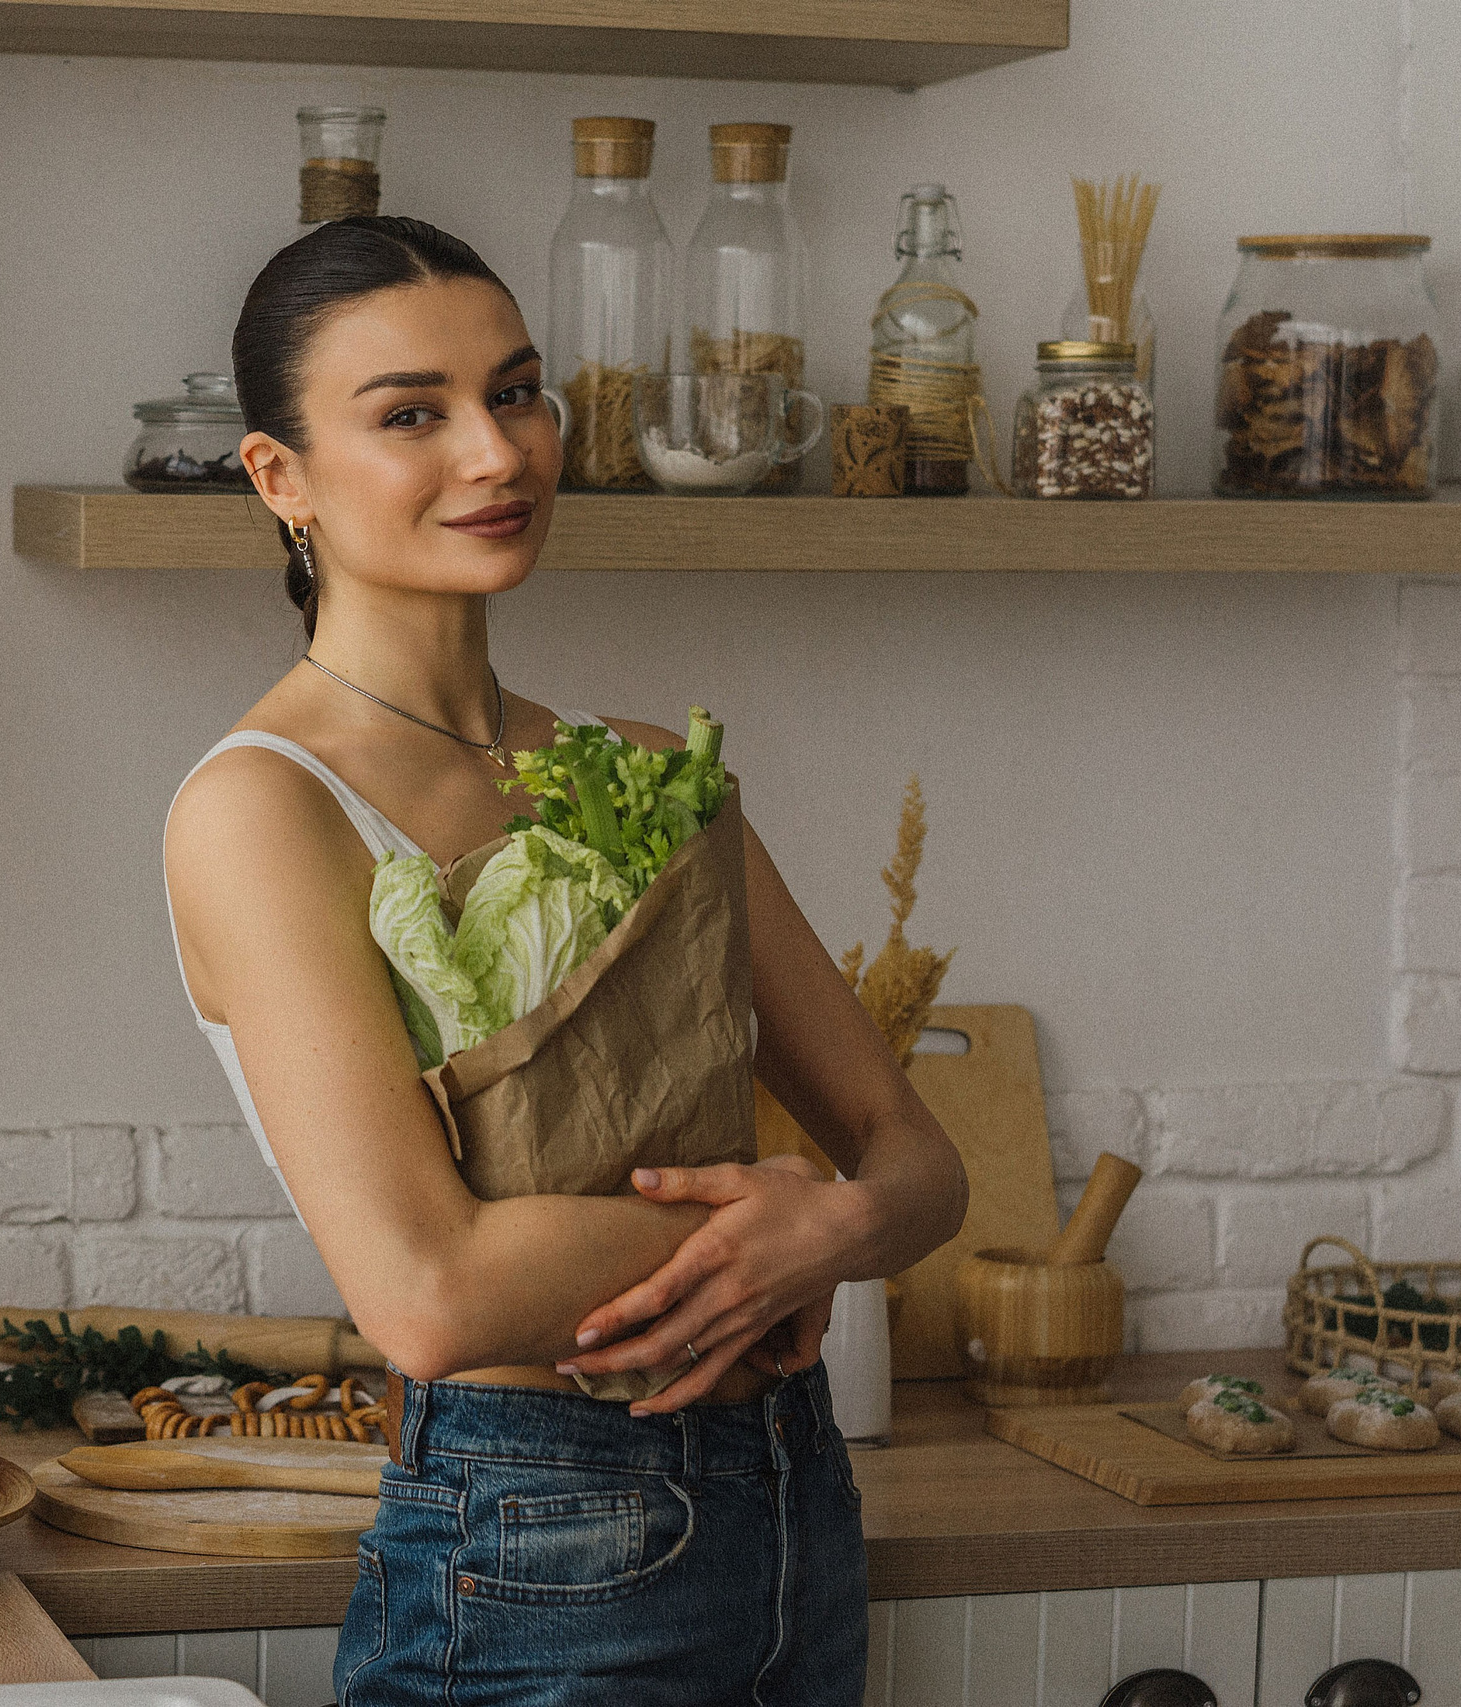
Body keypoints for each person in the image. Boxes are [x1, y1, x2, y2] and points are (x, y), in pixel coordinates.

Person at [160, 216, 968, 1707]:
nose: (497, 452)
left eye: (516, 393)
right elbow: (431, 1295)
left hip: (793, 1498)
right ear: (281, 479)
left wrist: (841, 1221)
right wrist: (796, 1226)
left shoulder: (654, 775)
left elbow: (917, 1165)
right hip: (537, 1533)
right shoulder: (264, 808)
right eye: (413, 414)